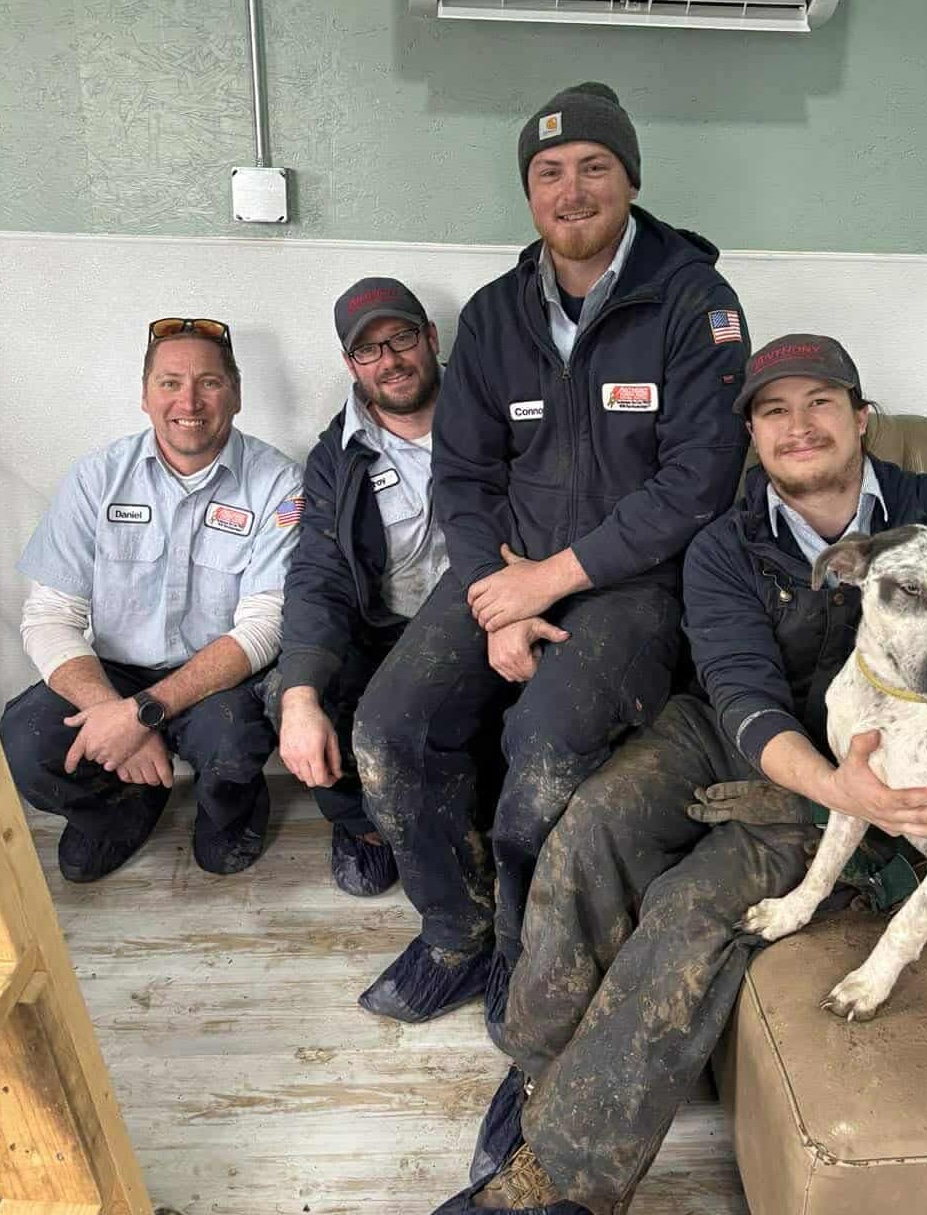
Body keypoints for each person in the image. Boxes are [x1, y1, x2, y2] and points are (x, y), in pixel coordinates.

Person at [431, 333, 927, 1214]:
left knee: (691, 909)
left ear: (863, 419)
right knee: (590, 826)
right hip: (746, 736)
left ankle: (564, 1178)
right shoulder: (726, 541)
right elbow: (742, 692)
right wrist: (828, 783)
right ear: (753, 433)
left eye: (821, 402)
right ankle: (534, 1065)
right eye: (774, 410)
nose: (799, 425)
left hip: (872, 770)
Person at [353, 82, 749, 1029]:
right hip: (505, 567)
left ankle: (522, 949)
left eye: (594, 167)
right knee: (388, 726)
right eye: (549, 172)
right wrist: (497, 595)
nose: (572, 191)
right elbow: (462, 475)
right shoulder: (495, 315)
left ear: (630, 178)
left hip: (634, 585)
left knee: (544, 747)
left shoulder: (696, 302)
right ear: (529, 192)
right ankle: (454, 929)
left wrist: (551, 579)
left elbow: (698, 481)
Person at [0, 318, 303, 882]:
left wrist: (142, 714)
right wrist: (109, 712)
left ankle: (230, 812)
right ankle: (122, 808)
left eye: (209, 382)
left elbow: (266, 625)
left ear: (235, 394)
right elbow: (49, 615)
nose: (188, 401)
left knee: (233, 740)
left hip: (220, 675)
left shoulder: (280, 485)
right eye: (169, 383)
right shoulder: (96, 478)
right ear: (145, 396)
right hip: (114, 672)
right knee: (26, 740)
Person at [260, 277, 451, 896]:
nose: (389, 360)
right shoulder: (335, 457)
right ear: (351, 364)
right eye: (368, 349)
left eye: (401, 338)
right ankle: (362, 827)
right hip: (384, 631)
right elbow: (318, 575)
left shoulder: (493, 416)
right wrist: (300, 696)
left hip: (478, 623)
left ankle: (458, 830)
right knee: (291, 693)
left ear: (431, 337)